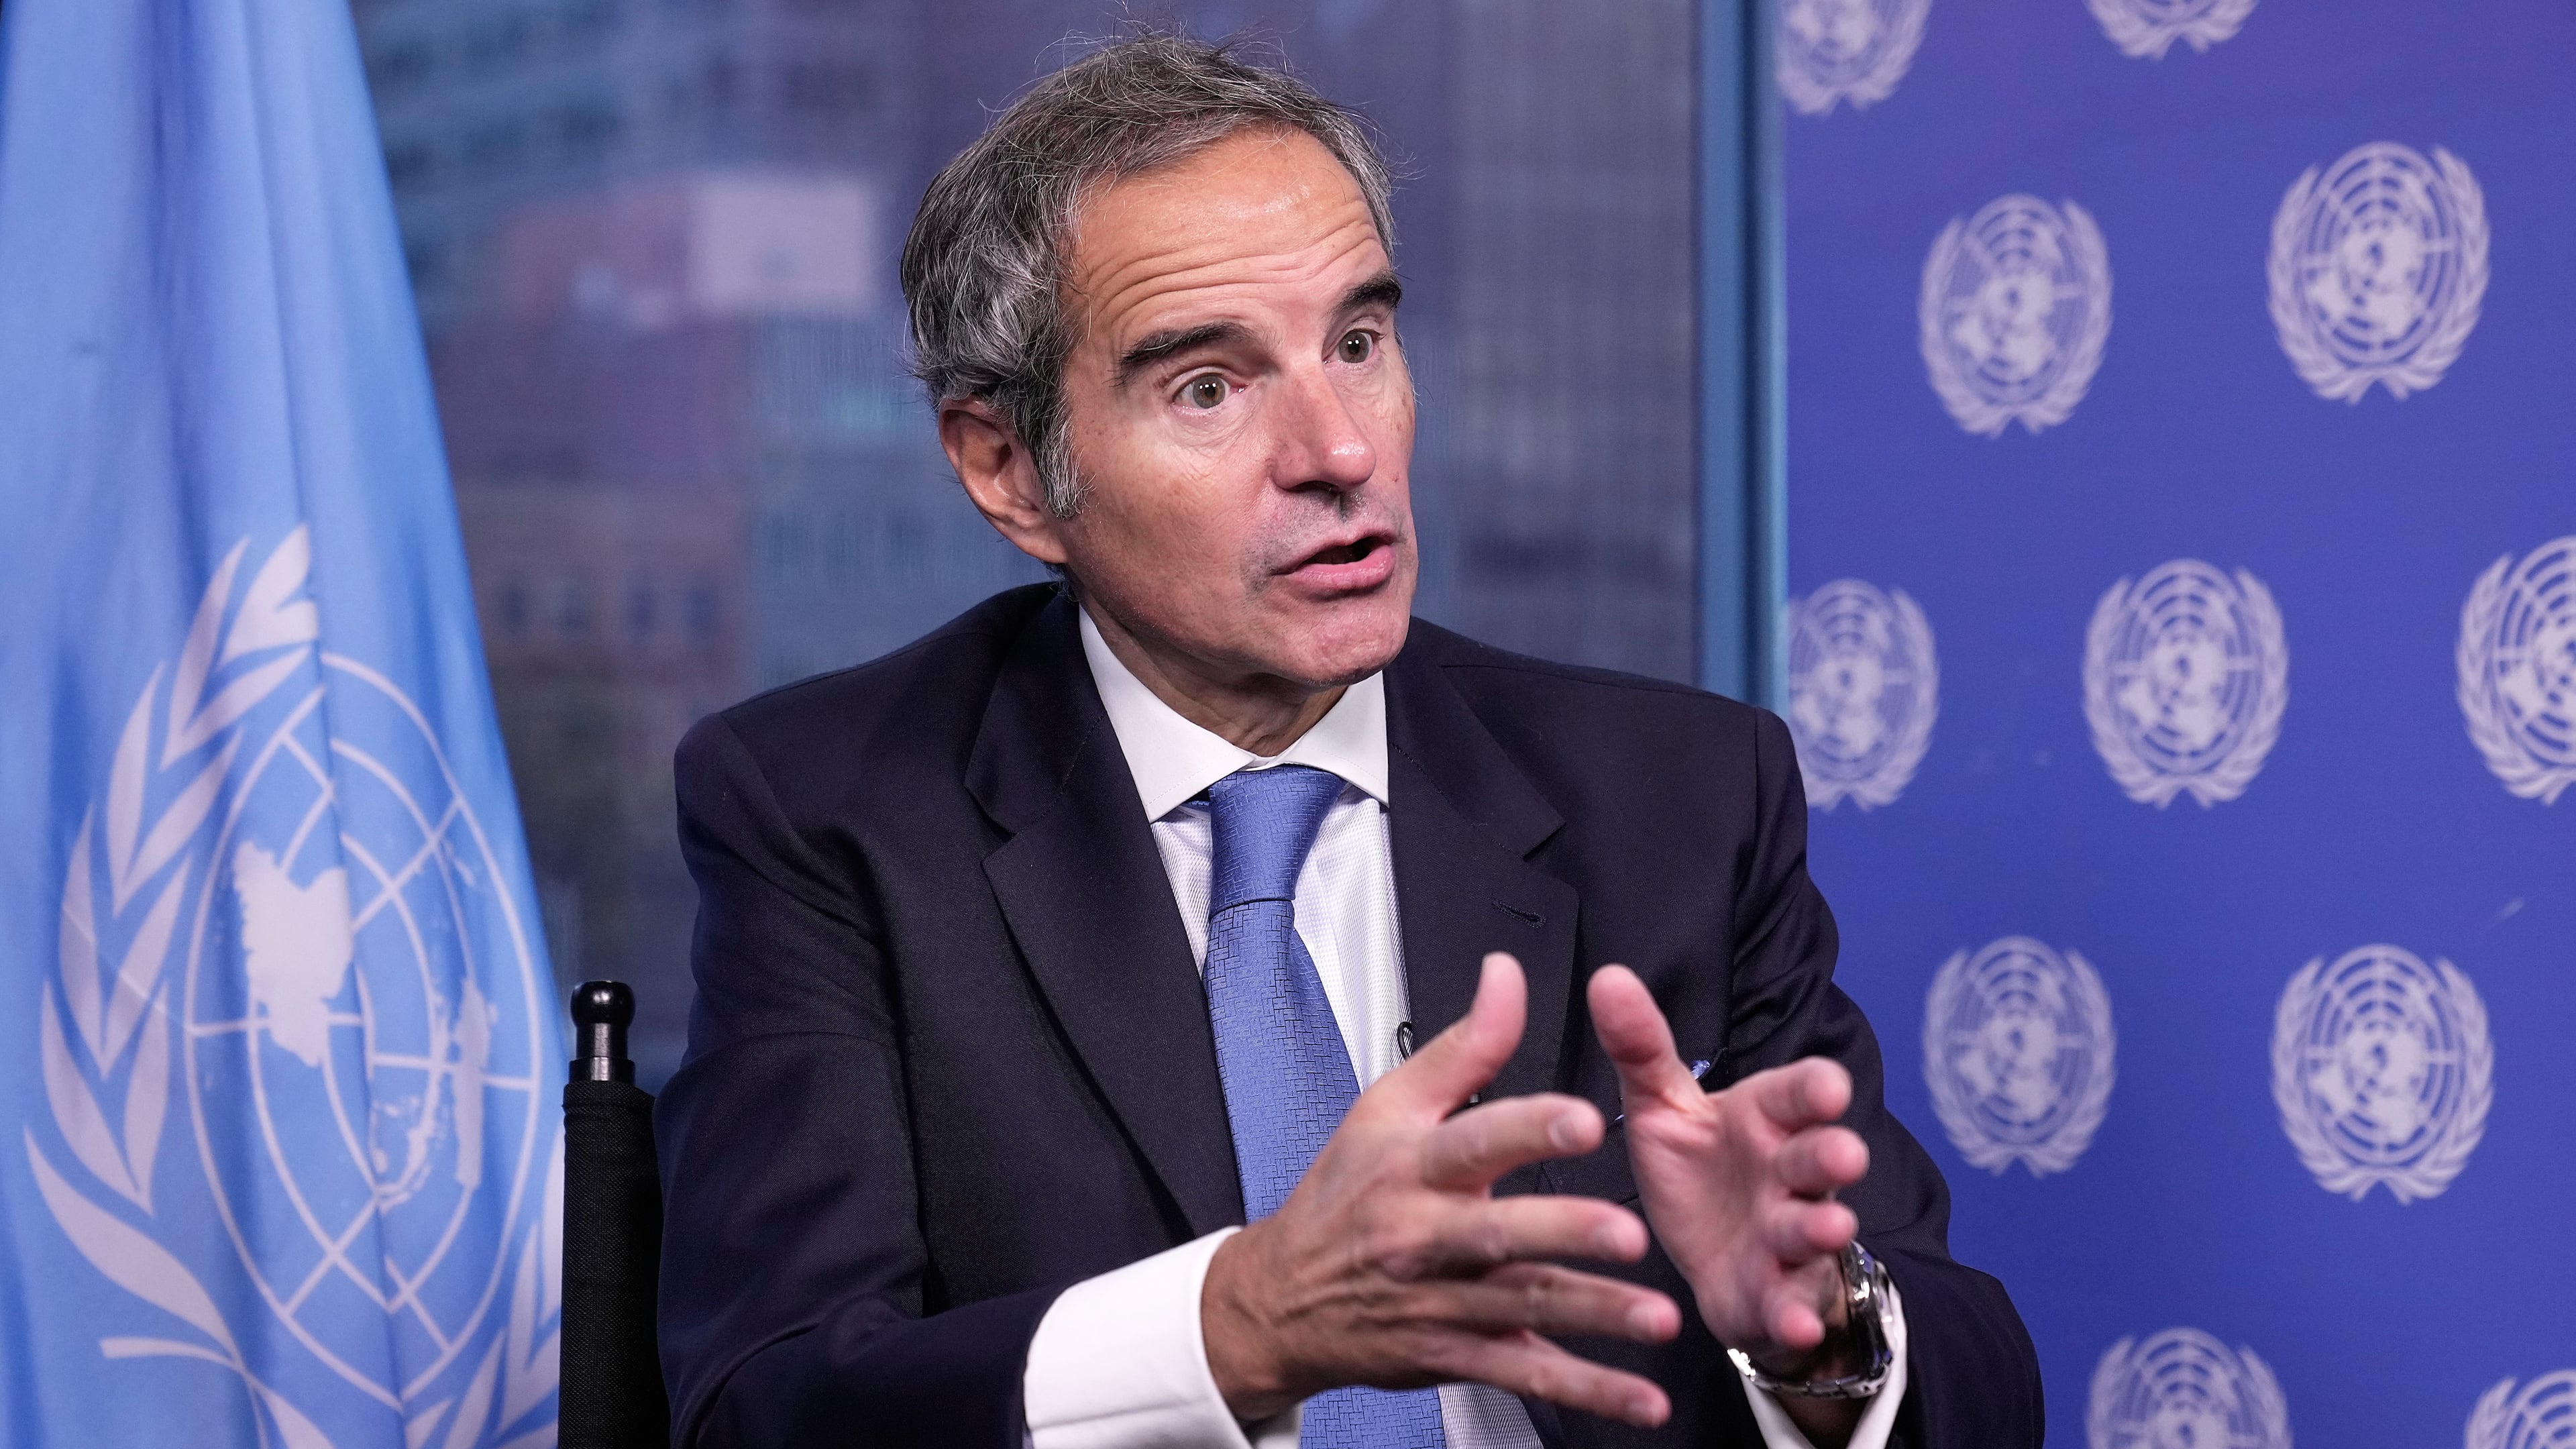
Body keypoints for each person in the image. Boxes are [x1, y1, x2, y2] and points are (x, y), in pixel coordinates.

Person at [653, 31, 2041, 1449]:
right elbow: (769, 1405)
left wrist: (1819, 1334)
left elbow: (1986, 1388)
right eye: (1209, 385)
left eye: (1360, 342)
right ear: (1008, 470)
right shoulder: (832, 816)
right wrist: (1237, 1325)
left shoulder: (1683, 799)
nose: (1339, 450)